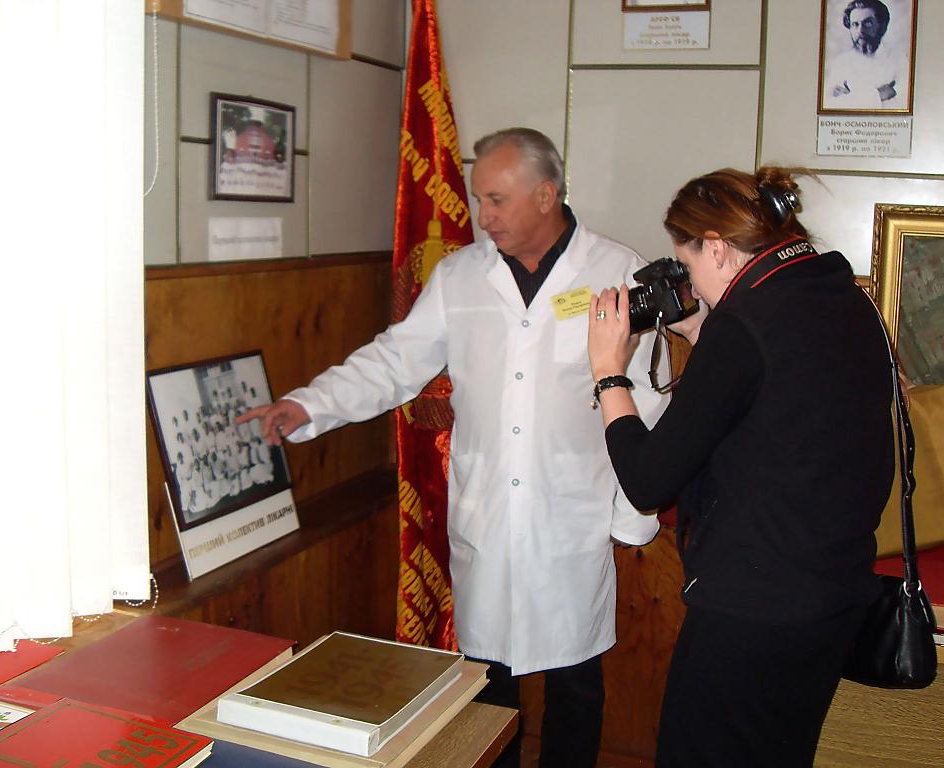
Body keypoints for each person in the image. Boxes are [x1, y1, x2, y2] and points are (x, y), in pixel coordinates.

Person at [238, 127, 668, 768]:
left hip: (570, 516)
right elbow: (395, 361)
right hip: (487, 516)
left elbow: (648, 401)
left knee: (576, 685)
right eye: (478, 198)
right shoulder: (460, 276)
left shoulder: (616, 272)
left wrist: (631, 517)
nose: (482, 216)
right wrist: (310, 405)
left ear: (546, 194)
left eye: (497, 200)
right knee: (486, 690)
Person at [587, 167, 895, 766]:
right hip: (830, 601)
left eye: (690, 265)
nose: (695, 286)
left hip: (752, 612)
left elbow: (648, 481)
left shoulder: (744, 326)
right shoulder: (841, 295)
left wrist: (608, 372)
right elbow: (783, 395)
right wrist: (703, 331)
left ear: (718, 248)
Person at [825, 0, 909, 110]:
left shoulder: (899, 60)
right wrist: (878, 95)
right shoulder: (842, 62)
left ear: (882, 26)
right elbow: (830, 105)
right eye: (855, 24)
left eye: (868, 23)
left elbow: (903, 105)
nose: (860, 30)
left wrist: (850, 98)